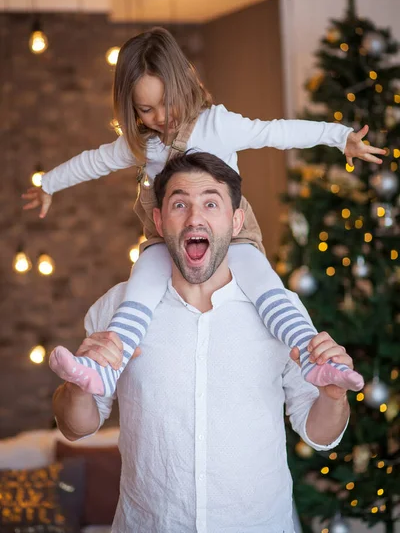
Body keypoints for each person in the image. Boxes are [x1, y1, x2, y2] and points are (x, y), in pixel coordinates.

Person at [23, 27, 381, 396]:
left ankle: (314, 358)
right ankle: (105, 369)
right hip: (168, 238)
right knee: (140, 286)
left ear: (183, 86)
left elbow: (276, 132)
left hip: (232, 236)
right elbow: (92, 161)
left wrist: (340, 137)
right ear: (131, 110)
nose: (161, 116)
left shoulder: (217, 124)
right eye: (146, 109)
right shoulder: (143, 145)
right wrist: (49, 183)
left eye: (167, 102)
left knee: (264, 283)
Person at [53, 151, 354, 532]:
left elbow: (319, 433)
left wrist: (333, 397)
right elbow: (76, 427)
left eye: (211, 203)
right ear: (160, 221)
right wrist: (77, 388)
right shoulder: (118, 309)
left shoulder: (283, 314)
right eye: (180, 204)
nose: (195, 217)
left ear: (236, 220)